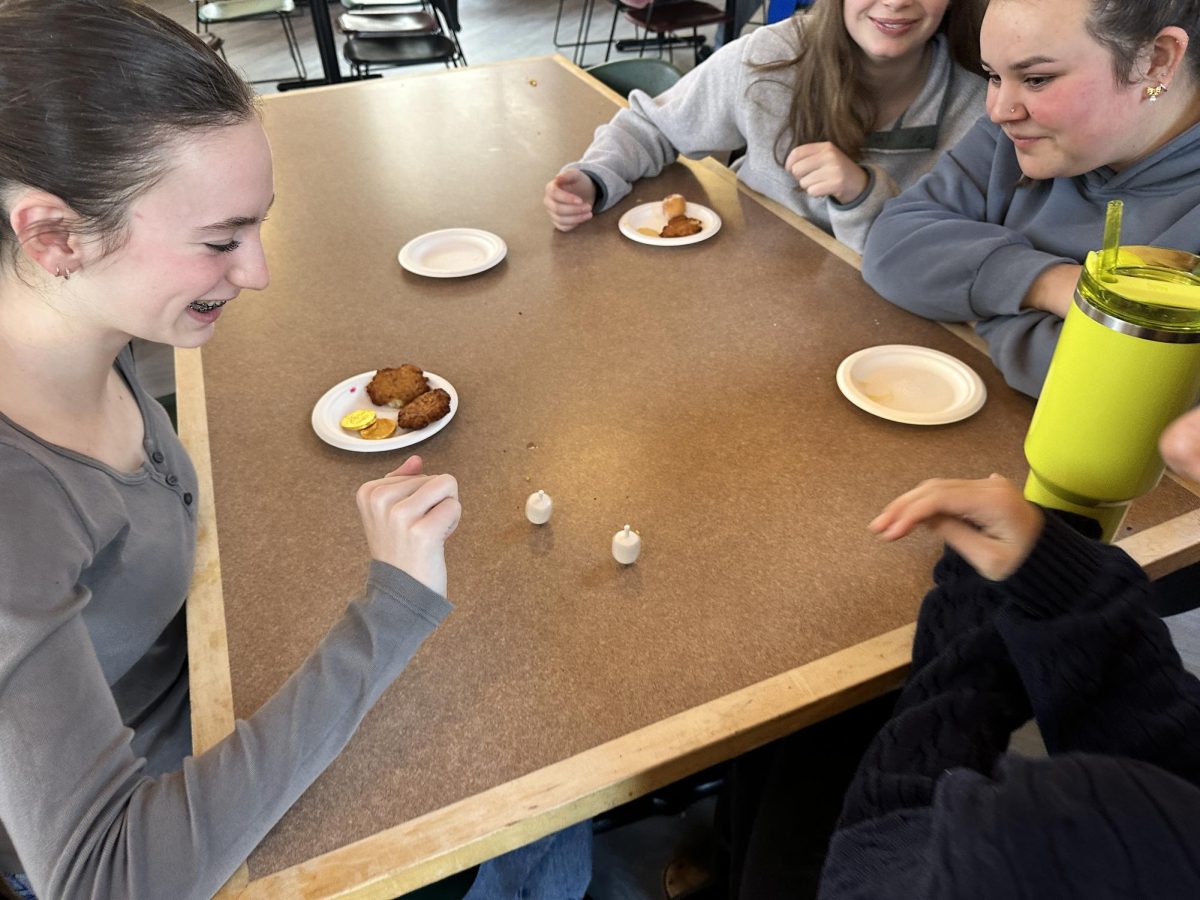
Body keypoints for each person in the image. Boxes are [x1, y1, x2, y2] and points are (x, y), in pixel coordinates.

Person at [0, 3, 593, 899]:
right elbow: (103, 878)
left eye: (257, 225)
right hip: (183, 822)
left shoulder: (84, 325)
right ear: (53, 236)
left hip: (209, 700)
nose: (258, 271)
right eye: (220, 240)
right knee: (546, 810)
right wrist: (389, 609)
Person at [813, 409, 1200, 897]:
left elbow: (877, 855)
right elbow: (1178, 758)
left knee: (811, 746)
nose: (1182, 443)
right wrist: (1060, 583)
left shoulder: (1085, 844)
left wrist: (969, 633)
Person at [862, 0, 1200, 398]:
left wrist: (977, 302)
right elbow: (890, 246)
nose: (999, 110)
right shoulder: (1016, 140)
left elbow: (1114, 386)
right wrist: (1049, 286)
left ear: (1157, 61)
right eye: (993, 76)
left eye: (1037, 79)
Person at [543, 0, 987, 253]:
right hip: (750, 292)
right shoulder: (772, 57)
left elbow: (947, 256)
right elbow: (652, 125)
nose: (896, 2)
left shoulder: (981, 101)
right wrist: (593, 178)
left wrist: (863, 194)